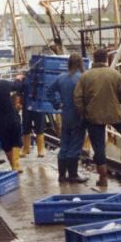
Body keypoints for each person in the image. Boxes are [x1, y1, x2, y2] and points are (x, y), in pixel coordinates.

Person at [74, 48, 121, 187]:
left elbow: (77, 98)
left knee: (98, 146)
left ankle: (103, 177)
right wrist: (117, 101)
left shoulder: (85, 76)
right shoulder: (114, 74)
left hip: (93, 116)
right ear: (106, 59)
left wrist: (84, 112)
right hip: (114, 112)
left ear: (94, 59)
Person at [48, 53, 87, 183]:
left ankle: (61, 176)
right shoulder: (82, 78)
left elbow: (49, 91)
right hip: (78, 115)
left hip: (65, 114)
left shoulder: (61, 77)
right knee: (75, 145)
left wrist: (57, 103)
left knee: (64, 144)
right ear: (79, 63)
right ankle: (73, 175)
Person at [20, 71, 46, 158]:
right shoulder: (25, 76)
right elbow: (20, 90)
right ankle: (26, 148)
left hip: (39, 106)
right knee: (26, 126)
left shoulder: (43, 76)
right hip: (27, 105)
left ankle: (41, 149)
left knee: (40, 126)